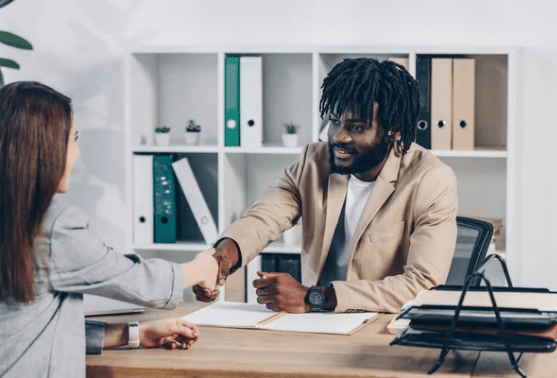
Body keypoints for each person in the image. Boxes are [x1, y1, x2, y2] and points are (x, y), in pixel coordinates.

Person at [194, 58, 458, 314]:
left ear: (393, 130)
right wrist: (222, 257)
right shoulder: (314, 161)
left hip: (382, 328)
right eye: (334, 122)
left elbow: (423, 284)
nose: (339, 137)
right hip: (315, 324)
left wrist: (315, 297)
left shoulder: (430, 179)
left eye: (356, 127)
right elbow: (263, 217)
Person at [0, 81, 218, 378]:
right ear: (47, 149)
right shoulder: (50, 225)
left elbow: (28, 328)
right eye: (73, 139)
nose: (76, 153)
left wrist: (134, 334)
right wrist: (204, 267)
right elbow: (140, 282)